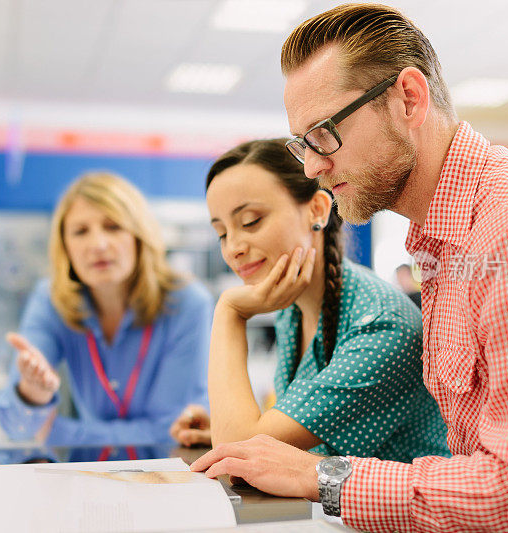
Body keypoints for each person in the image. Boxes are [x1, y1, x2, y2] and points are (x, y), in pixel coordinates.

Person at [191, 4, 508, 532]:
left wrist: (325, 477)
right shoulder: (448, 240)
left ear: (408, 98)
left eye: (324, 133)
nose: (312, 167)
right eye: (301, 144)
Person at [171, 138, 448, 463]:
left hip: (400, 513)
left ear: (317, 210)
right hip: (331, 512)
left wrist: (230, 312)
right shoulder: (293, 306)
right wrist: (225, 426)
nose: (233, 247)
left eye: (250, 222)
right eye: (222, 232)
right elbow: (264, 436)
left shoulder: (381, 324)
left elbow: (237, 459)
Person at [0, 172, 212, 450]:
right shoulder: (51, 300)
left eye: (112, 227)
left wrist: (62, 432)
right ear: (66, 248)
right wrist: (32, 395)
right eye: (80, 231)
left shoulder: (187, 302)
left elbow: (169, 429)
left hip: (172, 472)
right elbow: (16, 426)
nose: (97, 245)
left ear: (139, 236)